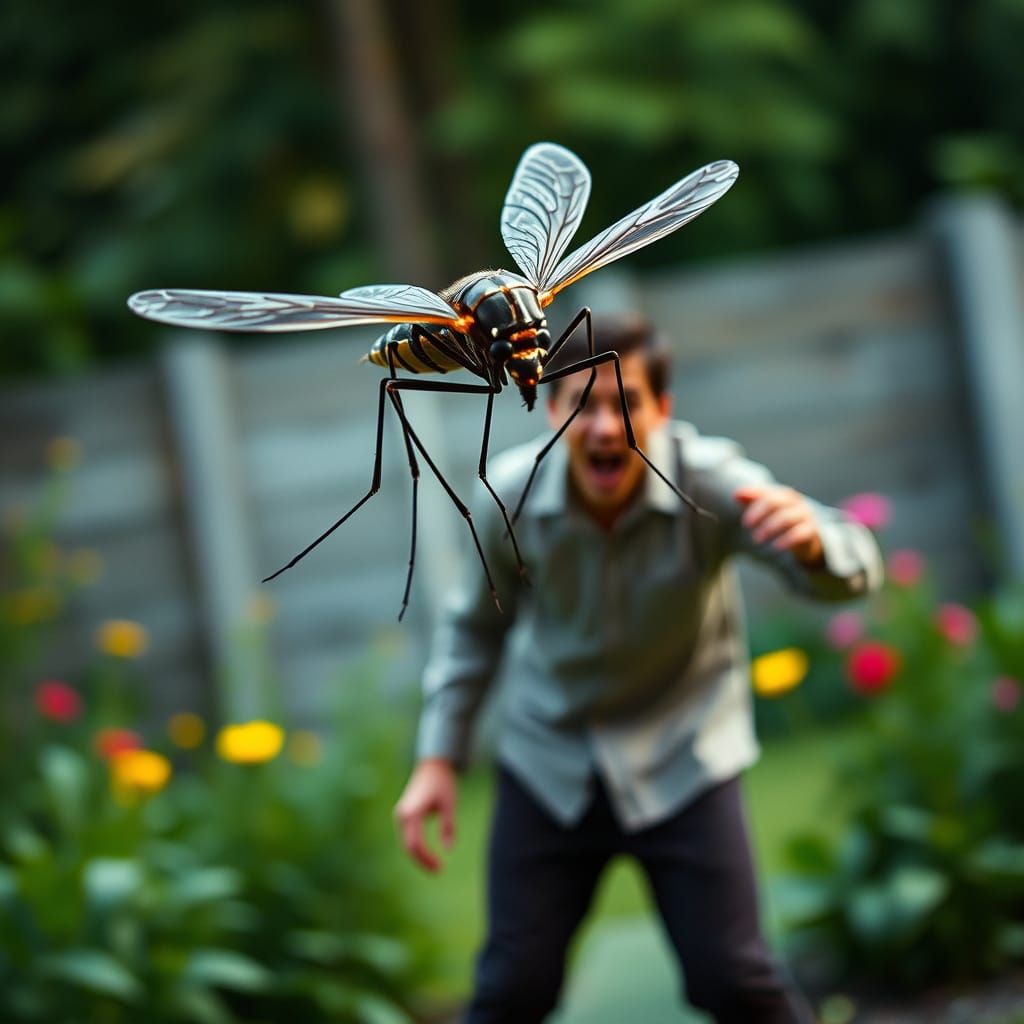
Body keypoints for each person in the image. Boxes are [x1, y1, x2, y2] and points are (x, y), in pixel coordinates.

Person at [393, 311, 883, 1023]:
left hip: (683, 758)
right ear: (548, 405)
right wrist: (439, 757)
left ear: (663, 410)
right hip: (550, 762)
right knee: (511, 989)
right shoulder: (509, 498)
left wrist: (814, 546)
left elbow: (851, 563)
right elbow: (474, 631)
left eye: (625, 404)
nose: (602, 427)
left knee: (734, 981)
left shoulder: (712, 485)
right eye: (580, 406)